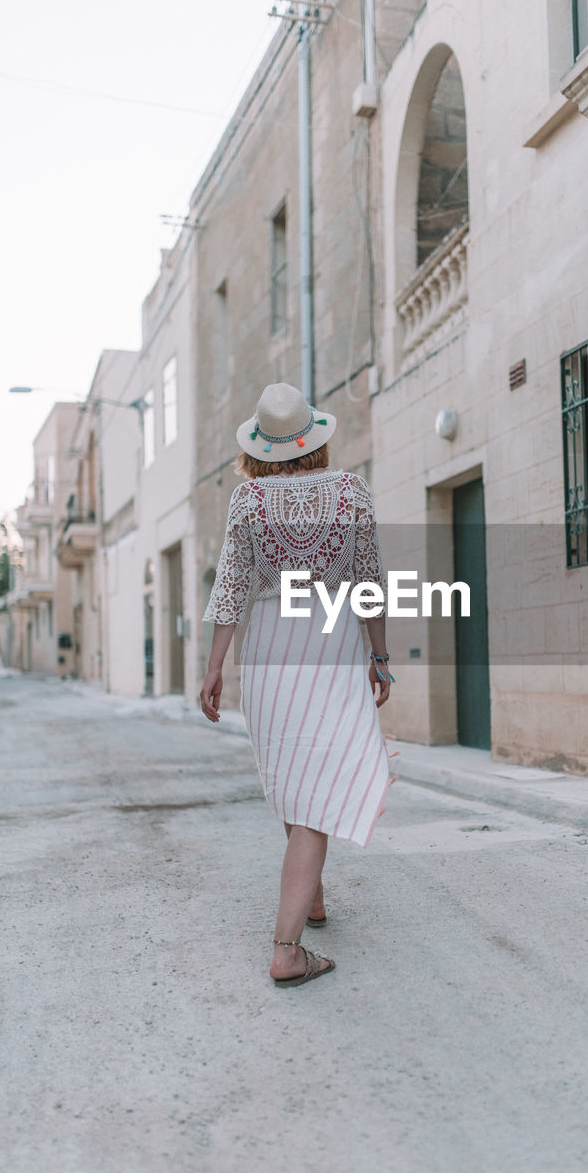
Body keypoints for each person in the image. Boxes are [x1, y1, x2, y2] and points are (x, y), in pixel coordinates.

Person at [200, 383, 394, 989]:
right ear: (312, 439)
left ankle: (310, 895)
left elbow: (231, 588)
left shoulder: (247, 501)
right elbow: (368, 581)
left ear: (261, 447)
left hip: (268, 650)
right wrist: (379, 654)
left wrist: (214, 667)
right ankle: (287, 950)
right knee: (319, 781)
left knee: (294, 776)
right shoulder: (350, 491)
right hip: (332, 642)